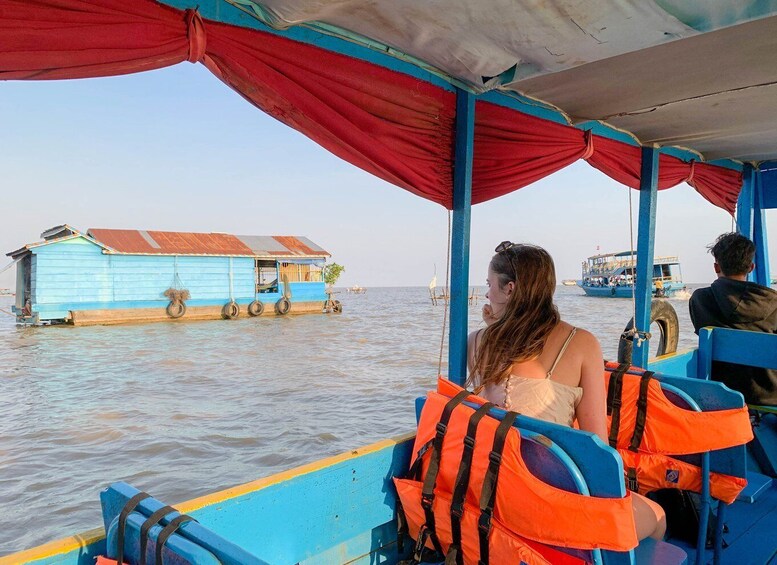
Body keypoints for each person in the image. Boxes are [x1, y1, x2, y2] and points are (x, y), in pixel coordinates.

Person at [467, 241, 666, 541]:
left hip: (490, 493)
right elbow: (595, 445)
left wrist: (494, 324)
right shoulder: (583, 344)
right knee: (659, 516)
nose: (486, 294)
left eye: (489, 285)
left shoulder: (474, 342)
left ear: (509, 289)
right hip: (550, 505)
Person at [689, 232, 777, 405]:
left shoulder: (700, 300)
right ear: (751, 267)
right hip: (770, 397)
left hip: (721, 394)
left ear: (716, 267)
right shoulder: (774, 304)